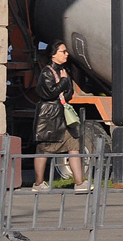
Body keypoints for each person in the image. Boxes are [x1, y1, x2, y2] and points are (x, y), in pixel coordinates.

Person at [32, 40, 90, 192]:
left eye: (66, 51)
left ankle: (79, 183)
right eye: (63, 52)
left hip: (63, 116)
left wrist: (65, 84)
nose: (66, 54)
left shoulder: (64, 71)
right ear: (53, 55)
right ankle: (38, 184)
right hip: (49, 118)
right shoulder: (46, 72)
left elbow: (69, 93)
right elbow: (50, 92)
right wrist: (63, 82)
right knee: (44, 149)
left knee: (74, 146)